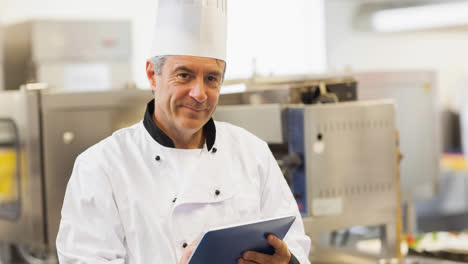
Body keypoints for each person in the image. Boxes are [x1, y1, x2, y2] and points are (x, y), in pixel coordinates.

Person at [56, 0, 311, 263]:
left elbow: (297, 246)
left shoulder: (252, 152)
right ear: (152, 75)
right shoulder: (101, 167)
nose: (199, 93)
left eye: (211, 78)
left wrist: (287, 261)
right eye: (184, 75)